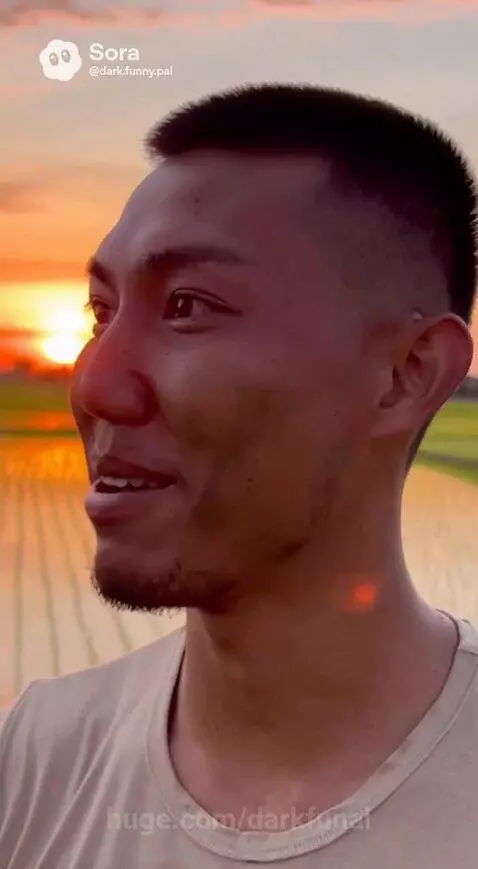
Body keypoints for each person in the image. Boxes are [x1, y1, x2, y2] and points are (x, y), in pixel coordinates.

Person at [1, 83, 477, 868]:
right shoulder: (40, 754)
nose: (93, 386)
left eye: (188, 305)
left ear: (406, 372)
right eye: (100, 312)